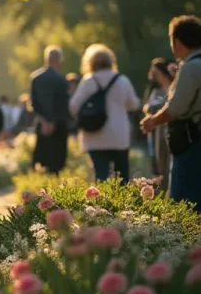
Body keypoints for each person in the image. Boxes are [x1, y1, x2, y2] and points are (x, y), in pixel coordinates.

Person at [141, 15, 201, 208]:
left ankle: (189, 238)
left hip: (191, 139)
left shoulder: (191, 67)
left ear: (176, 41)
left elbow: (176, 107)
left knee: (184, 198)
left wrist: (153, 121)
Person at [69, 44, 140, 182]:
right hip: (119, 135)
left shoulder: (88, 81)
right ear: (111, 61)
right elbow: (134, 104)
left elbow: (73, 106)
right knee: (122, 177)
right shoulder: (122, 80)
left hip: (95, 136)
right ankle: (122, 203)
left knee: (101, 175)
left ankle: (101, 203)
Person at [30, 46, 70, 174]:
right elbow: (62, 105)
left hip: (42, 126)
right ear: (59, 60)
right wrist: (52, 122)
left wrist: (44, 122)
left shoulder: (35, 78)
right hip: (58, 126)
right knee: (56, 164)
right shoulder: (61, 80)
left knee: (41, 159)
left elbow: (33, 103)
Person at [143, 58, 175, 191]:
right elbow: (145, 107)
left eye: (156, 72)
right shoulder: (153, 89)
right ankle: (158, 191)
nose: (152, 75)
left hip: (166, 129)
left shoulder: (172, 87)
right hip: (154, 131)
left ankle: (167, 190)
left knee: (167, 161)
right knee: (156, 161)